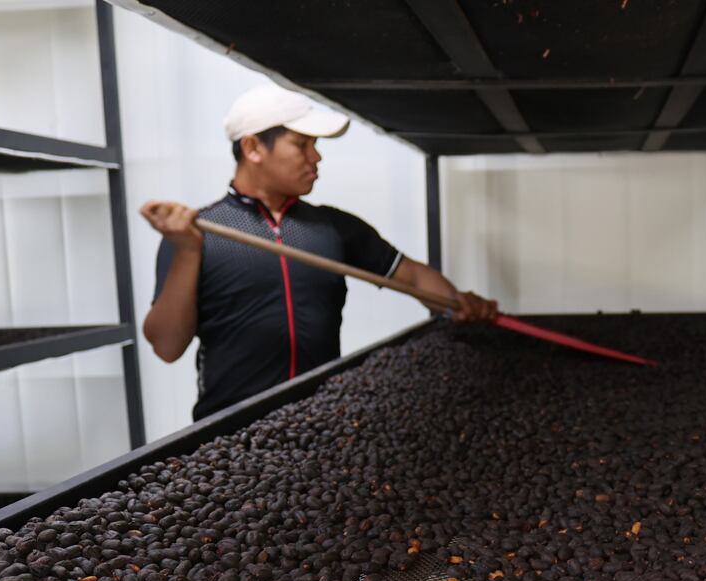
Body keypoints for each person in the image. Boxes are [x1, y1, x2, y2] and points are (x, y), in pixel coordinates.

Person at [140, 84, 497, 421]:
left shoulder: (333, 227)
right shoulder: (197, 233)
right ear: (253, 148)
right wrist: (187, 251)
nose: (316, 156)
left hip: (320, 427)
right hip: (229, 437)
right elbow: (167, 346)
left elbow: (414, 277)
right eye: (302, 144)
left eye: (315, 145)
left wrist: (457, 302)